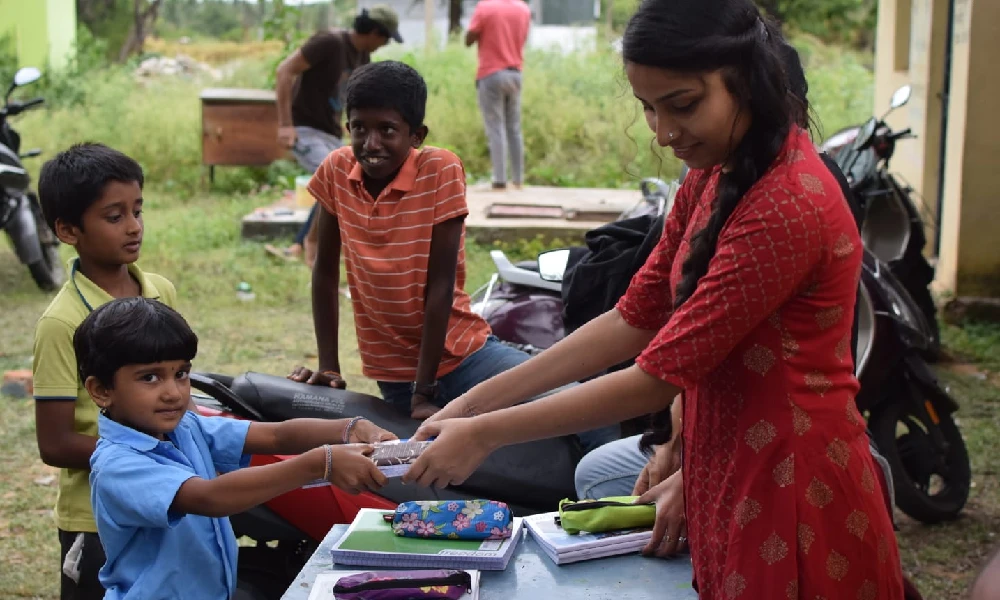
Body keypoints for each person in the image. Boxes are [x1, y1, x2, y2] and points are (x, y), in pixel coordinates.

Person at [401, 0, 906, 597]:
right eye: (648, 108)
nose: (663, 133)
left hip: (790, 481)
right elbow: (633, 317)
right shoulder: (714, 175)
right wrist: (472, 404)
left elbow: (656, 376)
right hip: (729, 464)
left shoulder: (784, 203)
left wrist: (487, 433)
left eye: (683, 105)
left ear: (747, 82)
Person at [285, 61, 616, 452]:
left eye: (387, 130)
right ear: (348, 128)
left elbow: (440, 284)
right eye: (360, 128)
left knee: (586, 414)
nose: (371, 144)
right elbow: (324, 274)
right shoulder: (337, 170)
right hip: (395, 375)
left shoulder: (438, 169)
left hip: (463, 355)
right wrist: (329, 366)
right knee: (427, 465)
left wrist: (425, 388)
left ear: (416, 135)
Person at [79, 298, 395, 599]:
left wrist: (347, 427)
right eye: (150, 378)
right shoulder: (118, 464)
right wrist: (320, 464)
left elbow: (276, 437)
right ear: (101, 390)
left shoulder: (186, 428)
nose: (173, 392)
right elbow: (209, 497)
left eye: (181, 373)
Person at [31, 143, 179, 600]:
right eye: (114, 217)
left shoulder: (159, 293)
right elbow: (55, 443)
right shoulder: (63, 322)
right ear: (68, 229)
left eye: (138, 210)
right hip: (96, 520)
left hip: (162, 501)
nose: (134, 227)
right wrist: (145, 455)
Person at [266, 5, 402, 266]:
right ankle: (311, 246)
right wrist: (285, 124)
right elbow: (284, 71)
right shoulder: (329, 42)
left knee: (344, 182)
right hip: (303, 128)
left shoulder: (362, 57)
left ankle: (299, 244)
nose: (384, 45)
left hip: (329, 132)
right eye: (385, 39)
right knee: (335, 180)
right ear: (374, 32)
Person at [466, 0, 531, 191]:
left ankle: (500, 179)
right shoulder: (523, 9)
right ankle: (518, 179)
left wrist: (473, 36)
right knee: (514, 128)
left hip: (491, 74)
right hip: (515, 73)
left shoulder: (485, 7)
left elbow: (470, 37)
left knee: (496, 127)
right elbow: (522, 39)